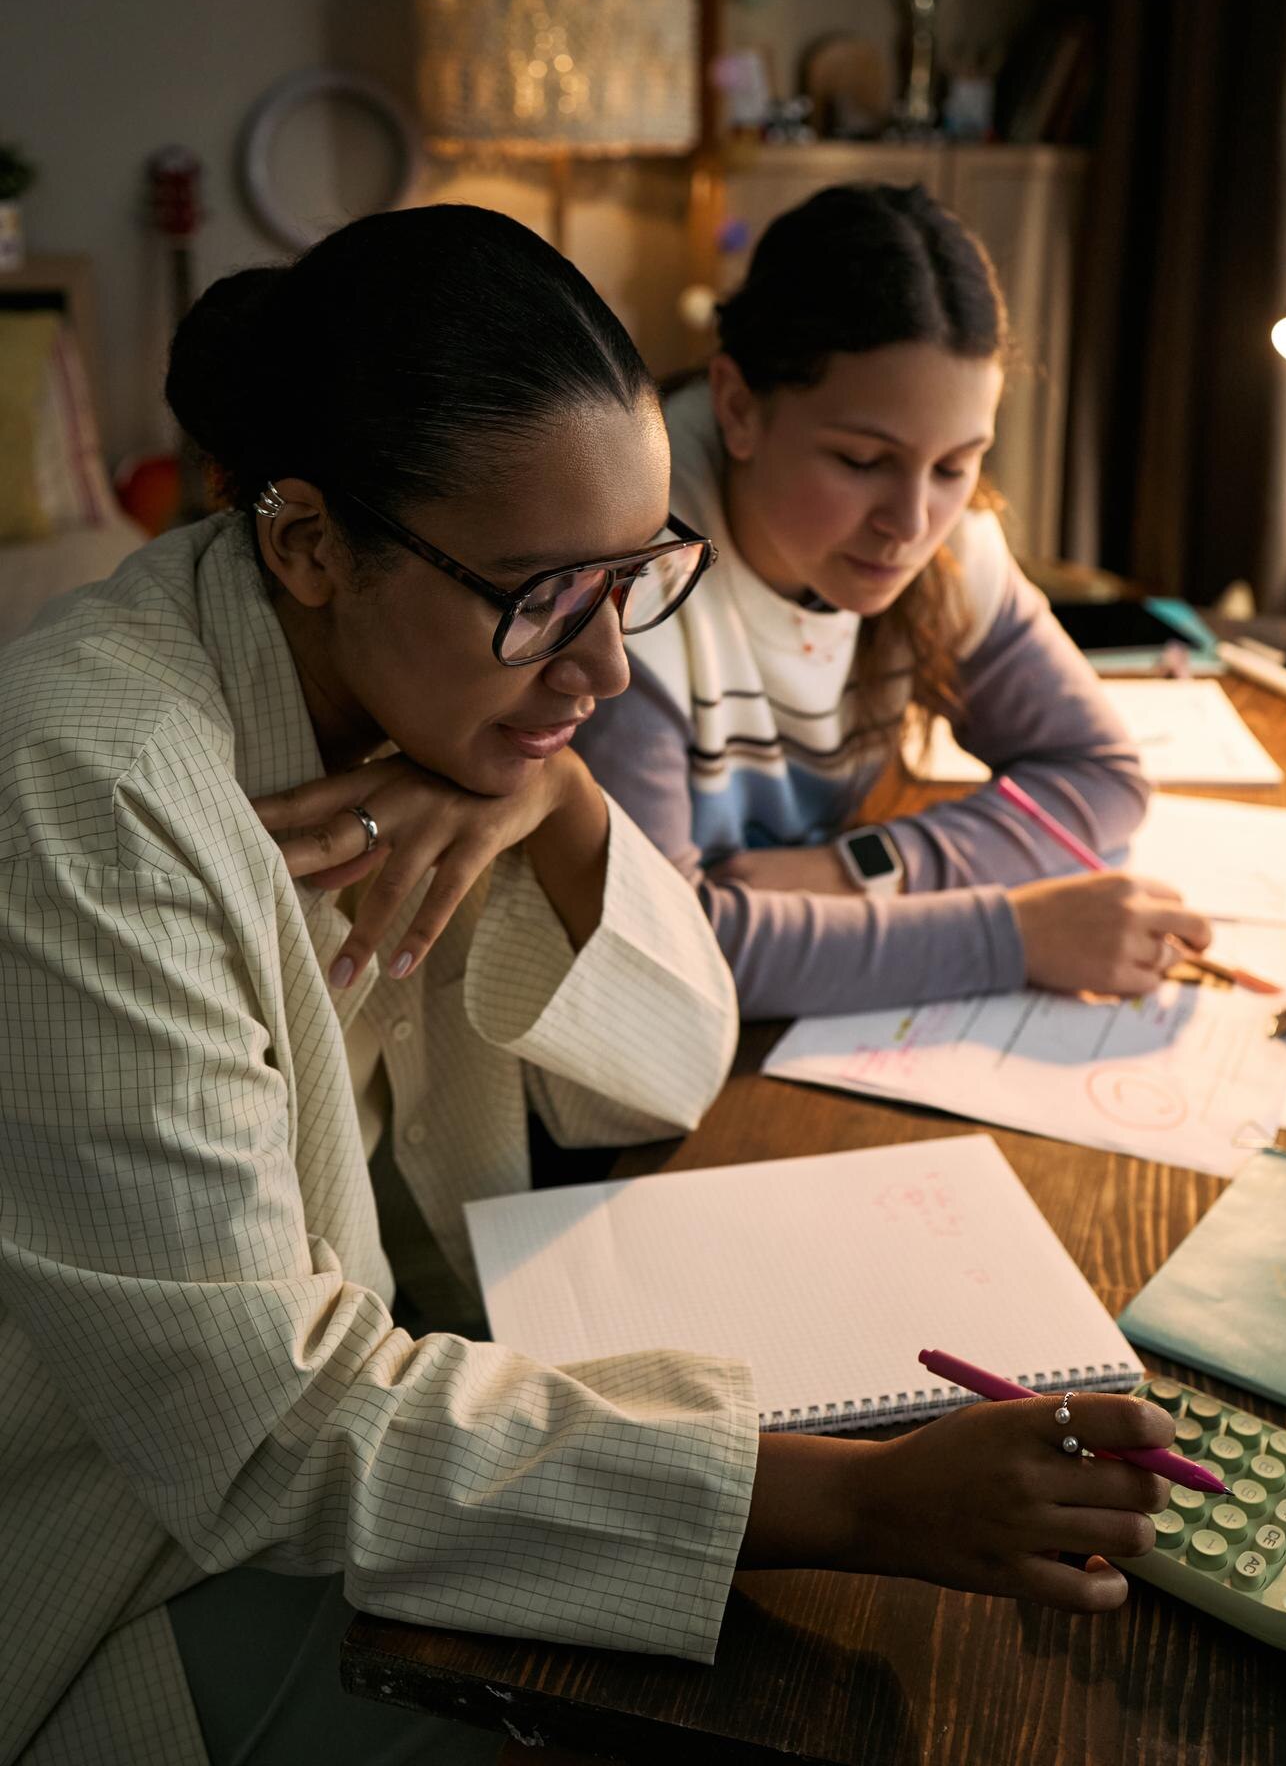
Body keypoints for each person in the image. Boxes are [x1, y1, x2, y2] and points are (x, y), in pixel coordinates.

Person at [0, 205, 1173, 1766]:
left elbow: (671, 1059)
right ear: (306, 545)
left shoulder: (420, 705)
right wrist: (849, 1502)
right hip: (130, 1561)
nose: (611, 671)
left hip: (398, 1409)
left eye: (636, 578)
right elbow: (269, 1441)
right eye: (549, 596)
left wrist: (549, 805)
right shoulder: (94, 795)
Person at [576, 182, 1214, 1019]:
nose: (911, 525)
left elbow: (1101, 778)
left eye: (955, 466)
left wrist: (862, 869)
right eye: (860, 461)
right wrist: (1014, 938)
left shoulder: (948, 544)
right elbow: (664, 952)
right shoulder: (631, 583)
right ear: (738, 407)